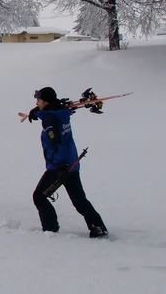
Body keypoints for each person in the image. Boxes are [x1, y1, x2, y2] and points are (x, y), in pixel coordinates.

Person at [27, 87, 108, 238]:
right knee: (79, 200)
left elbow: (57, 144)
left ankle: (50, 229)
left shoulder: (50, 120)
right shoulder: (61, 113)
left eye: (38, 100)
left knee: (39, 196)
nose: (36, 102)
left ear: (45, 101)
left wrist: (59, 166)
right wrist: (36, 112)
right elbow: (51, 110)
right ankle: (98, 227)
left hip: (59, 166)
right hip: (72, 164)